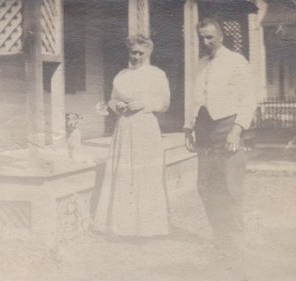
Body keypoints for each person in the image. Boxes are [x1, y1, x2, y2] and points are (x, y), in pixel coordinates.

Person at [184, 18, 257, 278]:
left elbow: (249, 98)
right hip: (203, 129)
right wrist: (188, 126)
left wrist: (237, 130)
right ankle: (220, 238)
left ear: (221, 36)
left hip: (227, 127)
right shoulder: (199, 65)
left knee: (230, 186)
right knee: (205, 185)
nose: (205, 43)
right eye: (201, 38)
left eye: (210, 38)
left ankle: (236, 245)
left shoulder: (237, 62)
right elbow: (194, 97)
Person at [92, 35, 171, 238]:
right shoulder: (121, 75)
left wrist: (145, 104)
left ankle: (148, 227)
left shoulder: (157, 74)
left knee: (145, 173)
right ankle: (122, 227)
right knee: (125, 171)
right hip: (125, 126)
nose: (136, 57)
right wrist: (116, 105)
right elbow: (112, 99)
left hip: (145, 127)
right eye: (133, 52)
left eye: (140, 53)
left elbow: (164, 103)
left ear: (148, 53)